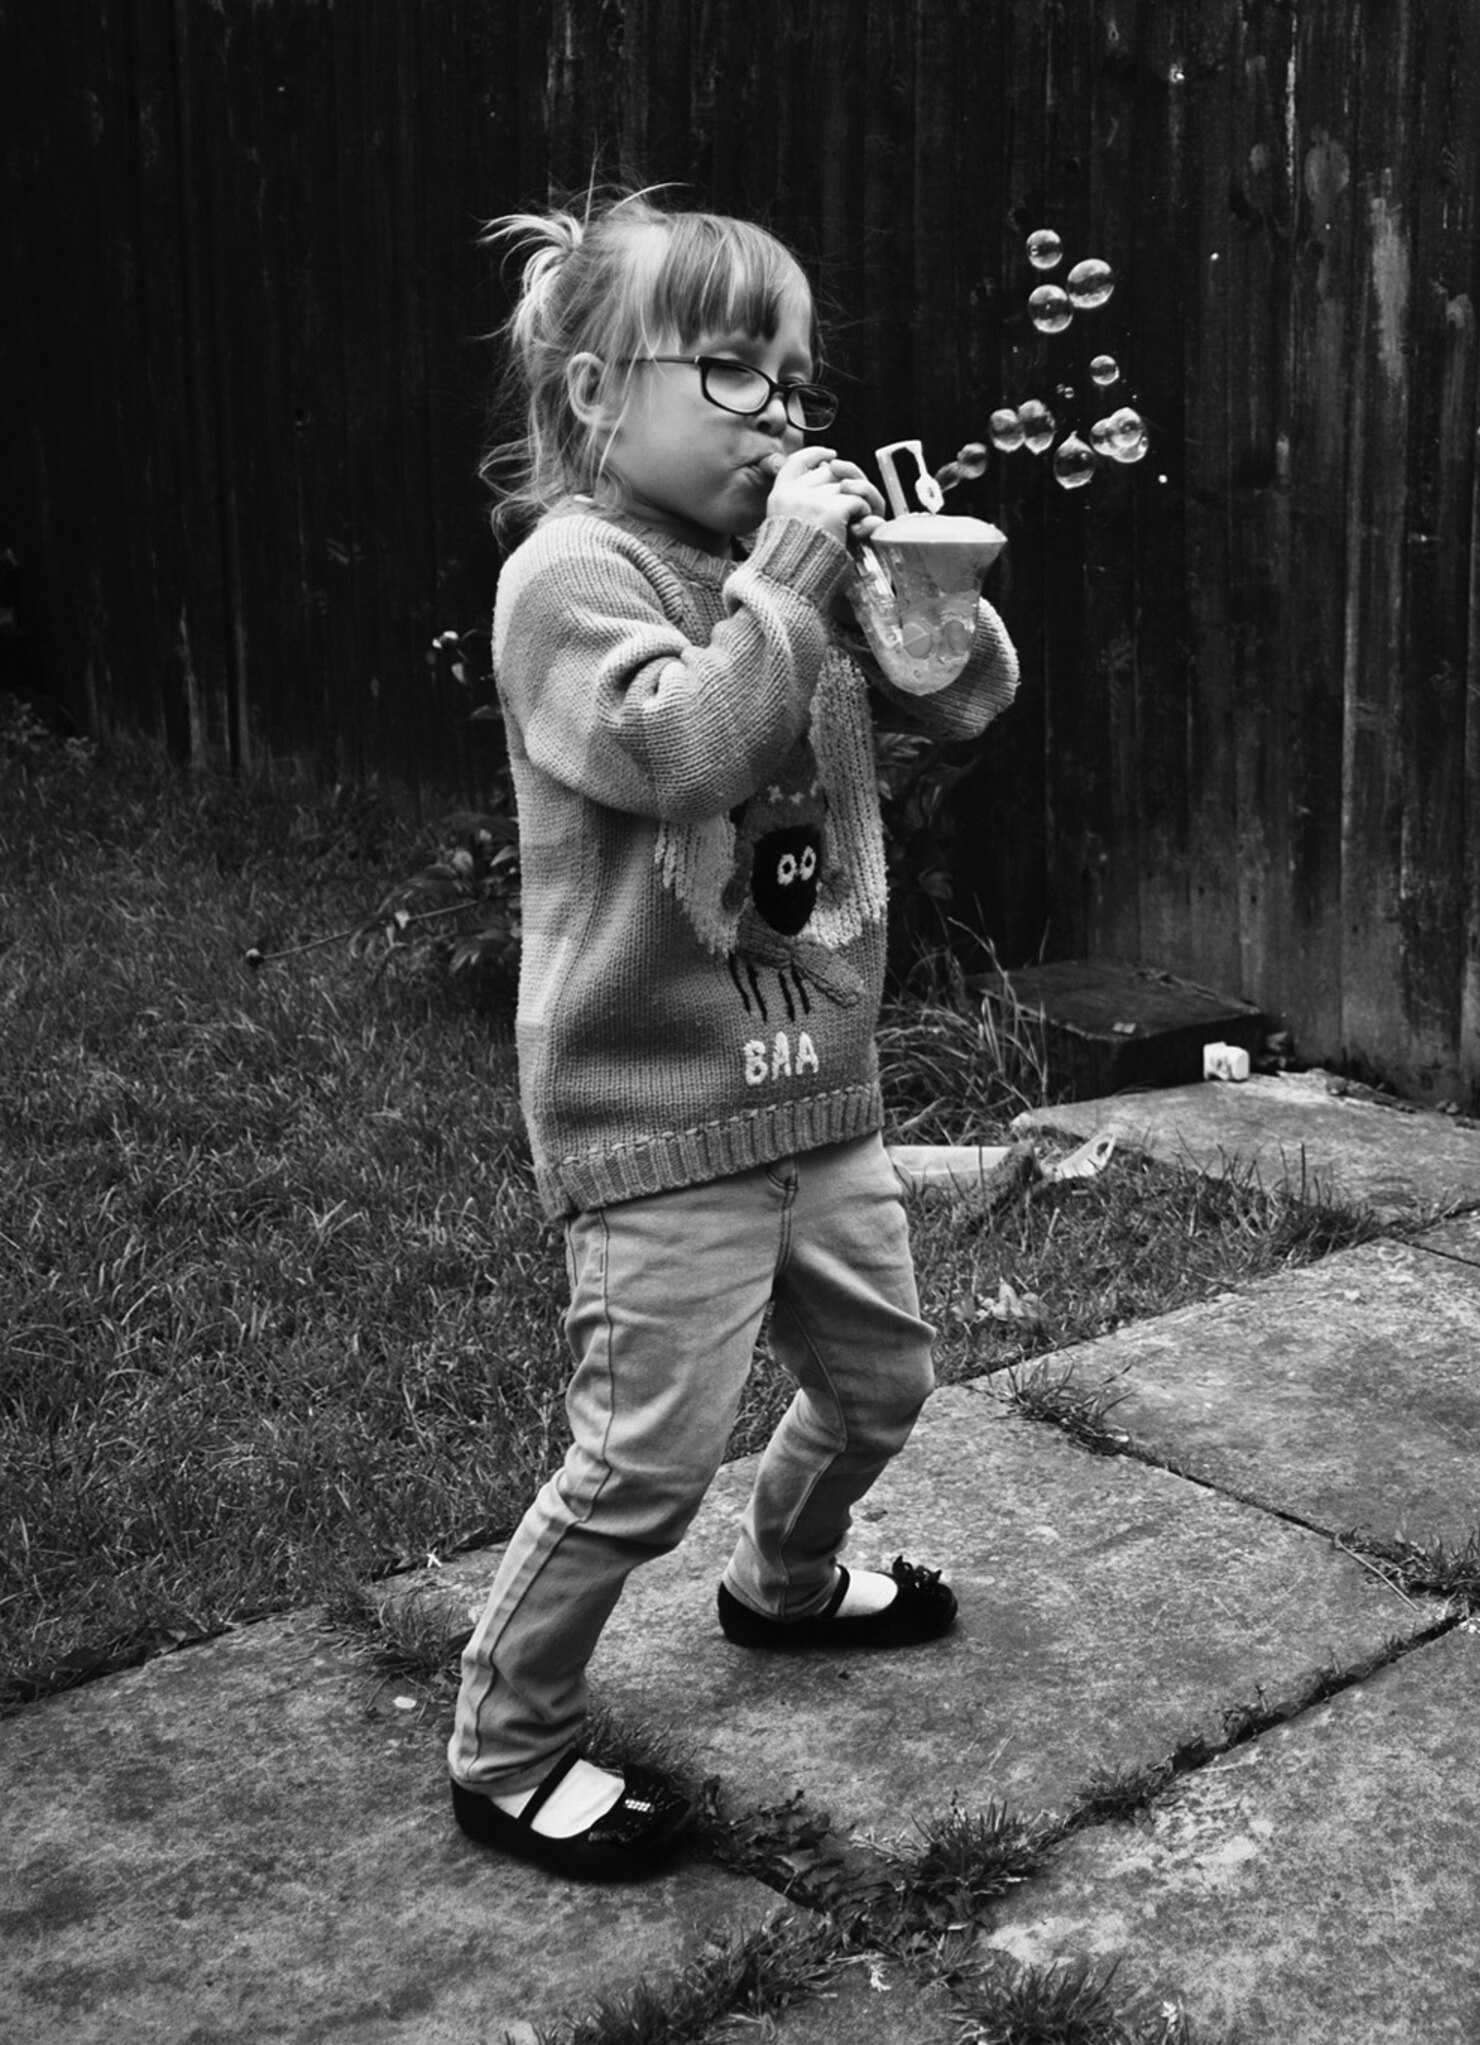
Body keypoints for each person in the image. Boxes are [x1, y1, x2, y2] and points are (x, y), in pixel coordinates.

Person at [448, 187, 1020, 1882]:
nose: (779, 405)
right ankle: (509, 1739)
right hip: (662, 1114)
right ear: (594, 398)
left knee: (881, 1380)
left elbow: (966, 700)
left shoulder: (785, 569)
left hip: (816, 1091)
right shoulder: (569, 578)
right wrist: (783, 588)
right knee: (641, 1462)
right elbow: (680, 753)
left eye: (793, 374)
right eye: (730, 368)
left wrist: (928, 598)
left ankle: (783, 1582)